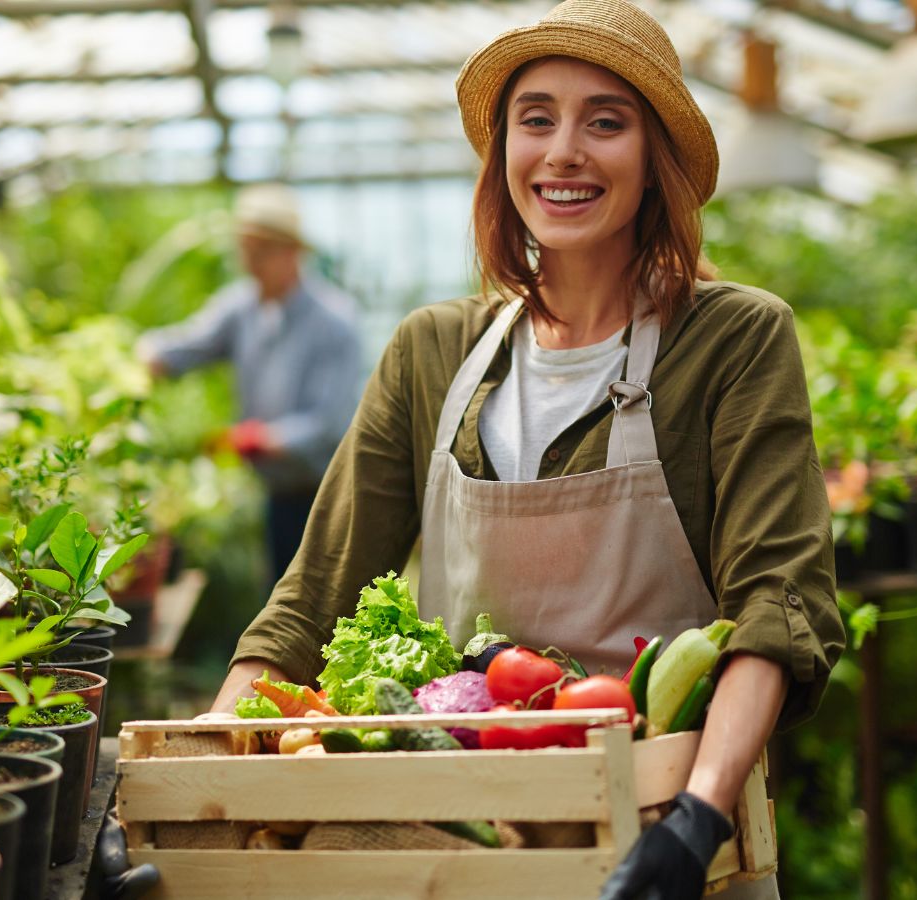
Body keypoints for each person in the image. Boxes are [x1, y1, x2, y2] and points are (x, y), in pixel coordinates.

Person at [208, 2, 844, 897]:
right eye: (535, 118)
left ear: (654, 161)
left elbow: (778, 602)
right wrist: (196, 778)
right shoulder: (430, 353)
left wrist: (699, 817)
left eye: (606, 122)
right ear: (502, 150)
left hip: (665, 832)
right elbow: (311, 601)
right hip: (455, 841)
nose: (564, 151)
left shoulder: (732, 340)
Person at [138, 183, 361, 582]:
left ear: (293, 252)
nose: (251, 263)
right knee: (280, 591)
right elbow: (191, 345)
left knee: (325, 600)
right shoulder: (241, 308)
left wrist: (262, 439)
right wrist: (143, 355)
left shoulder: (335, 321)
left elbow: (330, 422)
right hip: (277, 491)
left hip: (328, 495)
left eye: (262, 251)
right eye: (245, 250)